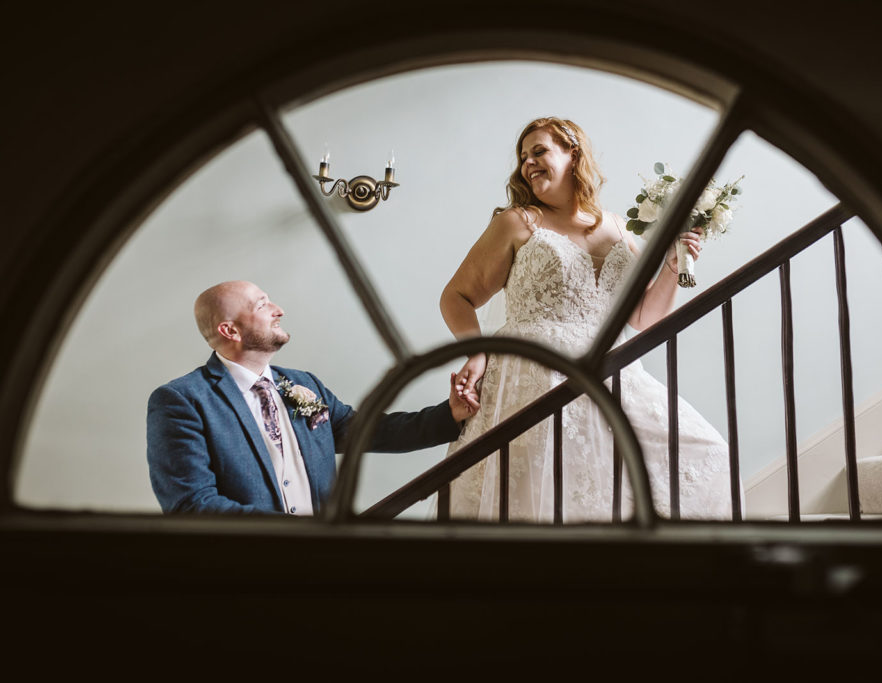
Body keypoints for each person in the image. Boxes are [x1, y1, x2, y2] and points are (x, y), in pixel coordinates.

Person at [439, 116, 733, 522]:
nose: (528, 163)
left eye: (539, 151)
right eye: (524, 157)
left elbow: (644, 318)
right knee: (539, 494)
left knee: (705, 450)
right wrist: (477, 352)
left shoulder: (619, 229)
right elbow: (456, 296)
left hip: (610, 372)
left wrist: (671, 264)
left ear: (572, 153)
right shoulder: (517, 222)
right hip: (530, 374)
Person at [147, 280, 479, 515]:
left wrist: (448, 415)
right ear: (230, 331)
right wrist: (295, 533)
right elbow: (192, 503)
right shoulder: (182, 401)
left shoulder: (303, 383)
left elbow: (367, 430)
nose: (279, 309)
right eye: (262, 305)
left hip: (324, 566)